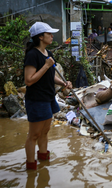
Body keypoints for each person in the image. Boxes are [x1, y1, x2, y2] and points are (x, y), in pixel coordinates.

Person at [24, 22, 72, 170]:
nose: (52, 36)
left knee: (45, 131)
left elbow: (50, 76)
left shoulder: (48, 54)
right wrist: (45, 66)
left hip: (49, 97)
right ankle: (31, 168)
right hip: (37, 99)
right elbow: (29, 80)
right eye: (49, 34)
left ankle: (44, 163)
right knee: (34, 134)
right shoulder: (32, 55)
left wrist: (63, 83)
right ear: (40, 37)